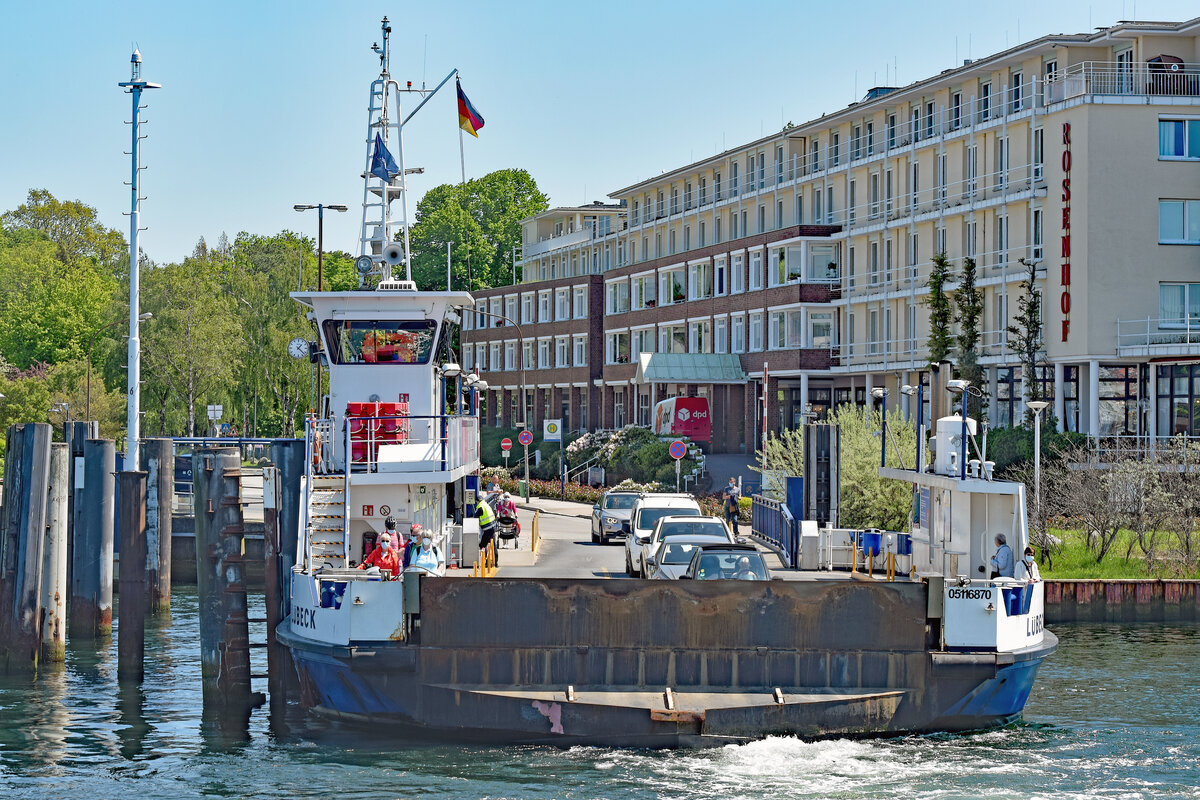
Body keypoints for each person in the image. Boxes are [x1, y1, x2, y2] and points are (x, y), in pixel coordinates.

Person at [476, 498, 499, 566]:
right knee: (493, 545)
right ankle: (495, 562)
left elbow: (475, 517)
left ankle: (485, 561)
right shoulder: (486, 504)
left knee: (483, 544)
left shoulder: (480, 507)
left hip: (487, 529)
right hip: (493, 527)